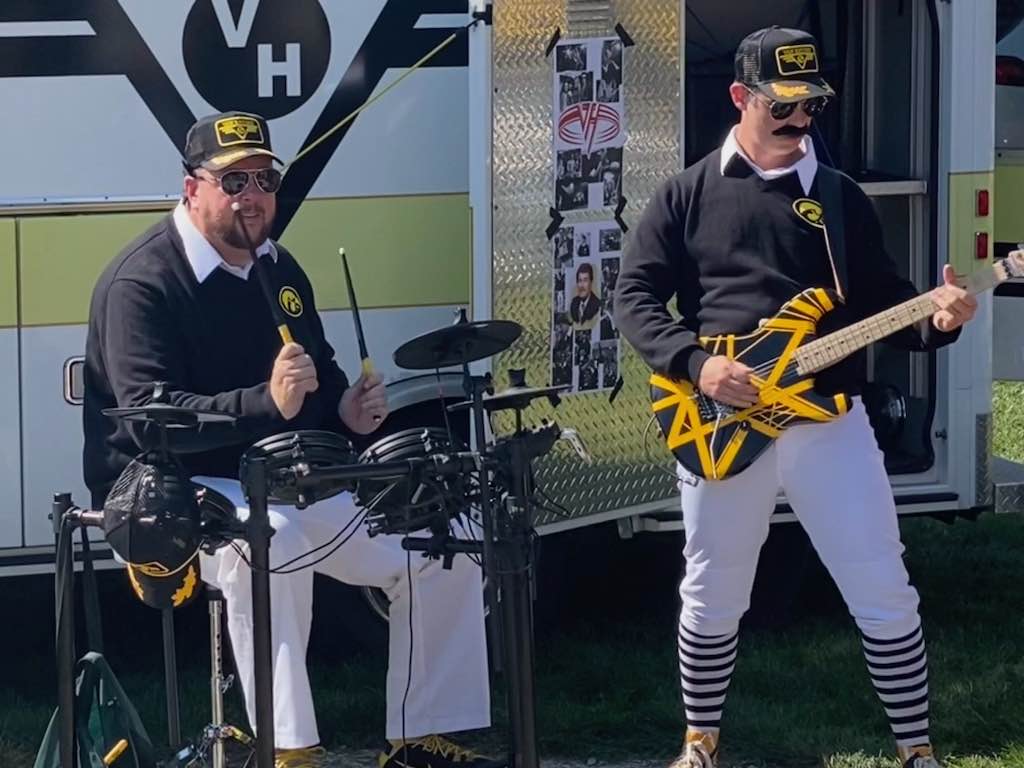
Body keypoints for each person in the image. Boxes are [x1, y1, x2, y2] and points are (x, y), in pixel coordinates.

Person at [82, 111, 495, 768]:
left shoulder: (278, 266)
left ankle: (421, 737)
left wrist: (349, 412)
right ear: (192, 189)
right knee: (270, 542)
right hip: (175, 488)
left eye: (266, 179)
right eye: (234, 181)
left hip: (287, 474)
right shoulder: (144, 282)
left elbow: (318, 384)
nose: (254, 196)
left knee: (447, 532)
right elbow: (145, 419)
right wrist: (264, 404)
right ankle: (291, 750)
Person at [614, 27, 977, 768]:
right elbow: (632, 296)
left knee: (883, 584)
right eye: (782, 105)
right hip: (722, 420)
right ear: (739, 97)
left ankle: (917, 750)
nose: (800, 119)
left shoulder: (840, 198)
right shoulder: (687, 192)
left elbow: (887, 305)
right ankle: (700, 742)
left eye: (810, 105)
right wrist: (695, 366)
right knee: (713, 590)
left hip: (830, 423)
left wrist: (938, 322)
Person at [570, 262, 601, 329]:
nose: (582, 285)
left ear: (591, 282)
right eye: (580, 280)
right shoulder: (573, 303)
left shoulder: (597, 304)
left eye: (585, 280)